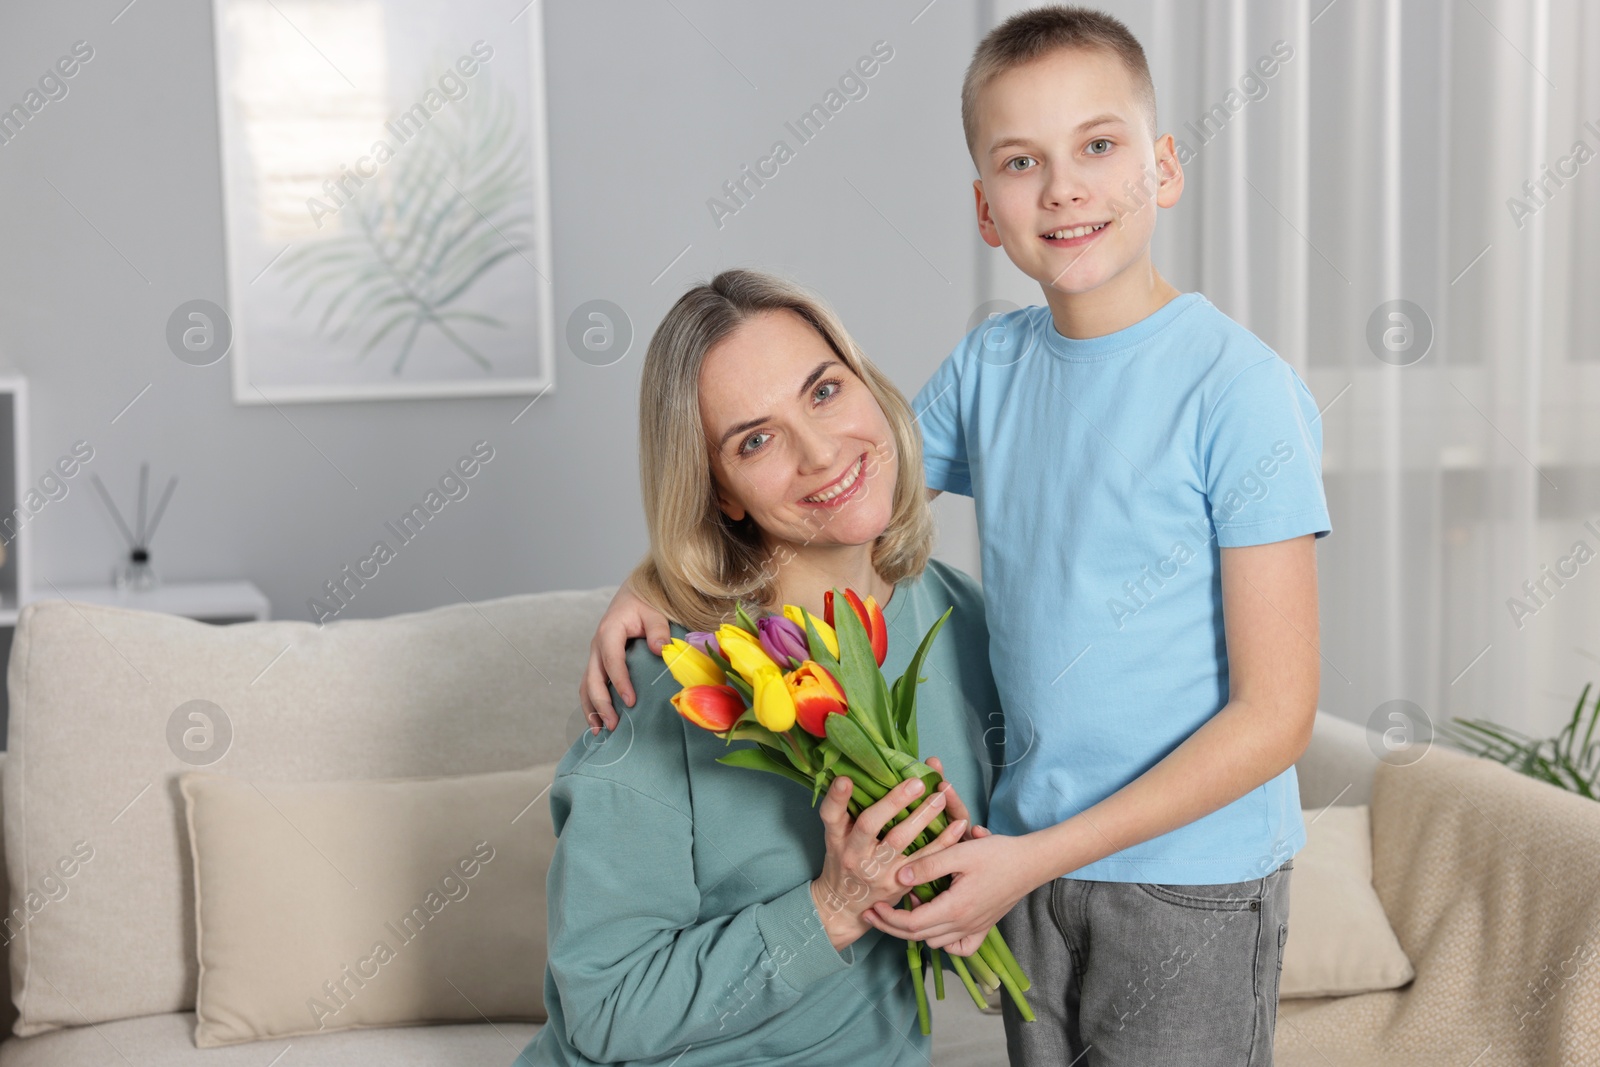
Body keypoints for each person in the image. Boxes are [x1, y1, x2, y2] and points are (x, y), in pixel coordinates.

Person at [579, 7, 1330, 1065]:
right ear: (987, 209)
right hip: (1028, 863)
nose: (1063, 187)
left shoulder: (1240, 393)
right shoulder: (992, 368)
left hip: (1187, 879)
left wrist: (1034, 856)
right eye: (1021, 162)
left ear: (1163, 167)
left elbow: (1277, 714)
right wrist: (655, 578)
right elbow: (833, 482)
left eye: (1098, 145)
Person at [518, 268, 1005, 1066]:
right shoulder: (660, 687)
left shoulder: (961, 620)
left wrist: (984, 893)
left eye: (824, 391)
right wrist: (832, 906)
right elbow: (604, 1009)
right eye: (755, 439)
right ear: (724, 494)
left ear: (868, 387)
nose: (820, 452)